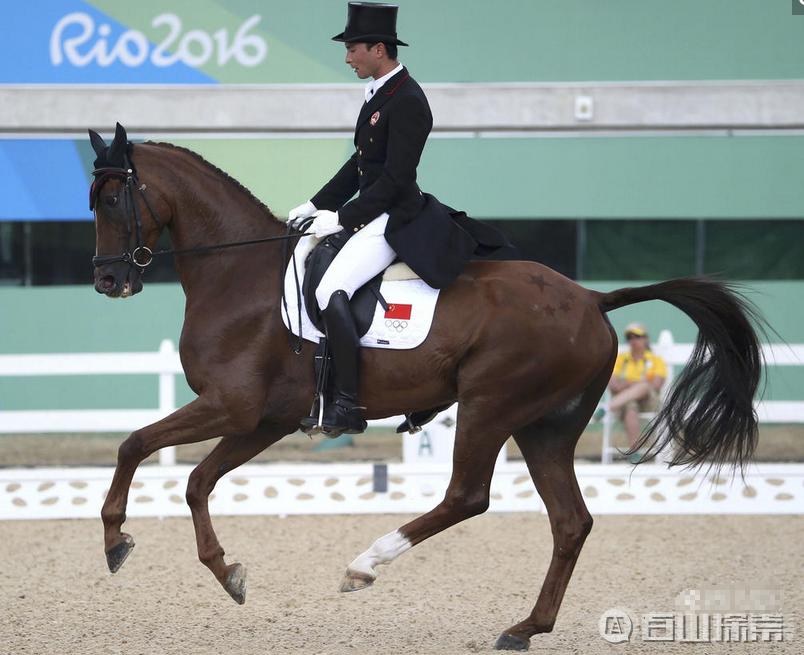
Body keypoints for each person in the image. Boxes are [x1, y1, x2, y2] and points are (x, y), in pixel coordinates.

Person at [288, 2, 511, 435]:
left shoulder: (408, 100)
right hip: (372, 211)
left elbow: (395, 178)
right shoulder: (378, 94)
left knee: (332, 287)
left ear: (378, 48)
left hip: (393, 217)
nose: (347, 58)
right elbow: (359, 167)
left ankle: (348, 404)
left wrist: (343, 219)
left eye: (352, 49)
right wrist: (315, 204)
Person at [598, 321, 666, 460]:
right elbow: (612, 385)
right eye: (629, 337)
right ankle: (635, 451)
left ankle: (607, 407)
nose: (633, 340)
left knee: (643, 387)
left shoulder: (655, 360)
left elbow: (656, 386)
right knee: (631, 406)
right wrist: (632, 385)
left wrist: (629, 384)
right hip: (625, 402)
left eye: (637, 336)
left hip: (649, 402)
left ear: (645, 338)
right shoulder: (621, 359)